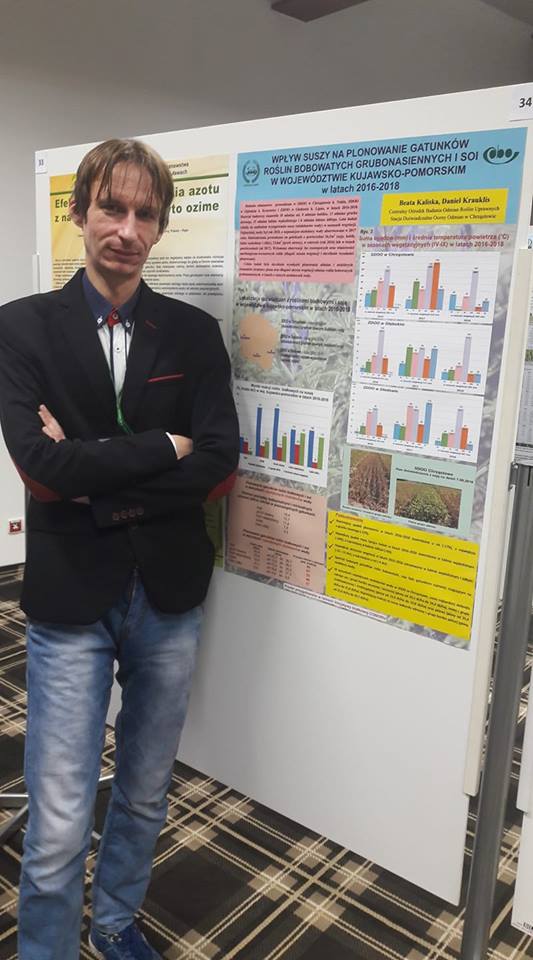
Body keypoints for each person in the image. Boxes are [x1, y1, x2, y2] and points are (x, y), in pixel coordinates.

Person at [0, 139, 240, 960]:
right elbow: (41, 468)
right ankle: (47, 948)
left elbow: (220, 463)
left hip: (167, 598)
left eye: (145, 214)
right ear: (79, 212)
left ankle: (113, 923)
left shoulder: (193, 334)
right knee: (61, 811)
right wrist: (164, 447)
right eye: (112, 208)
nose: (128, 230)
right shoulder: (21, 326)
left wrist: (92, 473)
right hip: (72, 596)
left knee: (142, 788)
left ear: (161, 226)